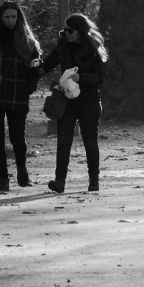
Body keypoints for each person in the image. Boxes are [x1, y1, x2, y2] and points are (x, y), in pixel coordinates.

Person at [39, 13, 108, 193]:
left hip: (90, 101)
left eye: (70, 30)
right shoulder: (63, 46)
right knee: (63, 140)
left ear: (80, 31)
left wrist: (81, 78)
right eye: (65, 30)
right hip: (67, 101)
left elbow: (101, 79)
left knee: (90, 142)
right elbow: (47, 64)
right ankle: (59, 181)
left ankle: (94, 181)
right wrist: (36, 66)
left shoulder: (94, 48)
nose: (66, 33)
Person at [0, 2, 42, 193]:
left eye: (13, 17)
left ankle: (22, 170)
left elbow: (35, 68)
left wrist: (29, 86)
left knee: (17, 137)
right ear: (0, 18)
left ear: (19, 17)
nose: (10, 21)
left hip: (18, 93)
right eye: (6, 17)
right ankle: (3, 177)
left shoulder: (28, 42)